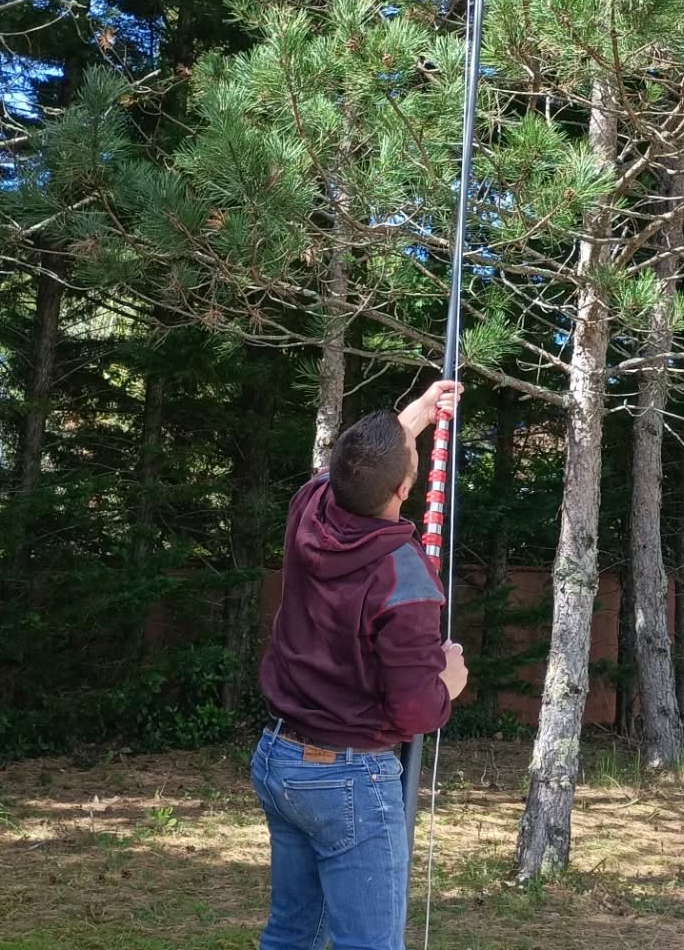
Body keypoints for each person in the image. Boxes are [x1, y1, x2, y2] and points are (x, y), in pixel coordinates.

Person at [252, 379, 469, 950]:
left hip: (279, 758)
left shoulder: (311, 507)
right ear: (404, 490)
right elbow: (415, 709)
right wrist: (446, 683)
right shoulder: (404, 577)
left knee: (291, 935)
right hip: (346, 778)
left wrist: (415, 416)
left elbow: (355, 467)